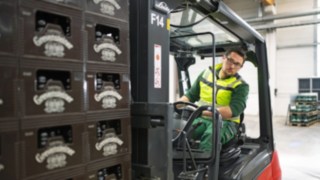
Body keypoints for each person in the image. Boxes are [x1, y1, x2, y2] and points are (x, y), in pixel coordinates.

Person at [178, 48, 249, 151]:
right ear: (223, 58)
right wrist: (174, 106)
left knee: (210, 138)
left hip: (226, 122)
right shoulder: (206, 73)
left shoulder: (241, 85)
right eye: (230, 61)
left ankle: (204, 166)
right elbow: (190, 95)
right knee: (180, 134)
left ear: (240, 67)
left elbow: (233, 110)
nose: (232, 66)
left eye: (237, 64)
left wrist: (200, 112)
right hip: (202, 119)